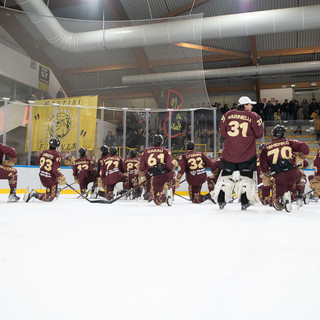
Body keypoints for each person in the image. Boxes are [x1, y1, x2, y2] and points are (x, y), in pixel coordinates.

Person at [213, 96, 264, 210]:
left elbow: (222, 131)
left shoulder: (227, 114)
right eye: (250, 104)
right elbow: (259, 134)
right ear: (245, 105)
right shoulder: (254, 116)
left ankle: (221, 200)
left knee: (225, 178)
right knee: (246, 180)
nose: (251, 106)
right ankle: (244, 202)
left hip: (229, 154)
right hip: (247, 155)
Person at [259, 125, 310, 211]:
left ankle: (282, 199)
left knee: (277, 204)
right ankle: (299, 193)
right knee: (301, 176)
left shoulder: (265, 148)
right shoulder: (289, 142)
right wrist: (300, 156)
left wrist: (266, 175)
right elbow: (305, 147)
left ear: (273, 134)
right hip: (293, 174)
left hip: (279, 177)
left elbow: (264, 167)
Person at [139, 134, 177, 206]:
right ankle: (169, 191)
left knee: (157, 200)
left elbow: (141, 167)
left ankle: (163, 197)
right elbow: (170, 165)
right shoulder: (166, 151)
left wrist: (142, 176)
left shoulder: (146, 151)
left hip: (155, 176)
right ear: (162, 142)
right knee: (172, 177)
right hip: (166, 174)